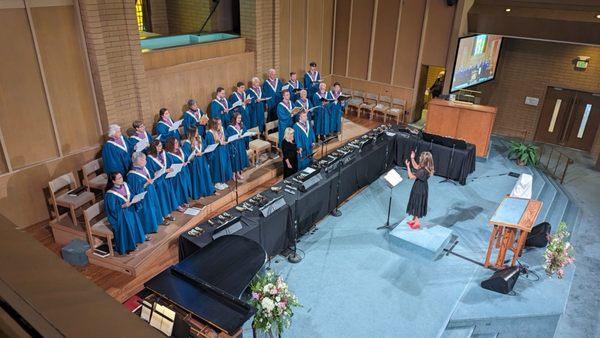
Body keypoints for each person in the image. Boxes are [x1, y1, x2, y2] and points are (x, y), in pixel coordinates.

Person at [104, 172, 146, 255]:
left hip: (130, 210)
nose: (121, 179)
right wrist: (122, 206)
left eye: (121, 177)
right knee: (126, 228)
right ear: (113, 181)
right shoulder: (110, 194)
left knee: (134, 225)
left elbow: (132, 194)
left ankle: (134, 241)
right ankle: (127, 247)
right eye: (119, 178)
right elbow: (111, 209)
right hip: (121, 215)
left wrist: (135, 199)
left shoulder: (125, 185)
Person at [127, 152, 164, 234]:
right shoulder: (132, 175)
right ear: (139, 160)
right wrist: (146, 184)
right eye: (144, 159)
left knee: (153, 207)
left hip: (150, 191)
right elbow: (134, 190)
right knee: (147, 211)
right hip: (144, 196)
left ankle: (155, 224)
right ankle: (148, 229)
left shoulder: (144, 168)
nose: (146, 161)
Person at [146, 140, 178, 220]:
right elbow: (150, 172)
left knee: (167, 196)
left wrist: (169, 169)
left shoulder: (162, 154)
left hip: (165, 179)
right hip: (158, 182)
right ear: (154, 147)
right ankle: (163, 215)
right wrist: (164, 171)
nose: (160, 147)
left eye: (161, 145)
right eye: (158, 146)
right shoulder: (149, 158)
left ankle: (167, 213)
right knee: (161, 198)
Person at [181, 126, 215, 199]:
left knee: (205, 175)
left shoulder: (200, 138)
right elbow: (187, 156)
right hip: (195, 163)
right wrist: (195, 154)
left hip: (202, 160)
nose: (197, 133)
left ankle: (207, 191)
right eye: (196, 132)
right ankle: (199, 194)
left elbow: (205, 146)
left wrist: (204, 151)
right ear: (192, 133)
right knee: (197, 177)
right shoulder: (187, 144)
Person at [405, 151, 434, 230]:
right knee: (416, 201)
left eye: (421, 158)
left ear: (423, 160)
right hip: (422, 186)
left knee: (417, 202)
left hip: (419, 189)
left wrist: (407, 166)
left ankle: (417, 222)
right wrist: (412, 158)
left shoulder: (422, 171)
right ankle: (414, 220)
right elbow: (416, 166)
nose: (420, 158)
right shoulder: (426, 168)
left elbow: (411, 177)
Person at [205, 118, 233, 190]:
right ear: (214, 125)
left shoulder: (222, 129)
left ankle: (222, 181)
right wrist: (218, 143)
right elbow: (209, 144)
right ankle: (217, 183)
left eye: (221, 123)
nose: (221, 125)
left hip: (223, 150)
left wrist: (225, 141)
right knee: (217, 167)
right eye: (219, 124)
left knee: (223, 165)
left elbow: (226, 136)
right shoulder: (210, 133)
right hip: (216, 153)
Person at [164, 137, 191, 210]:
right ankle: (178, 204)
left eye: (177, 142)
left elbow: (185, 157)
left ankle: (184, 201)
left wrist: (186, 161)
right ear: (171, 144)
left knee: (184, 187)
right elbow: (169, 165)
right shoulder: (168, 154)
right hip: (176, 175)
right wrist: (181, 165)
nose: (177, 144)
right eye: (175, 143)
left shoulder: (180, 150)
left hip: (183, 172)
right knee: (177, 189)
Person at [225, 113, 249, 180]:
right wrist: (236, 137)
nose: (239, 119)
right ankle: (233, 174)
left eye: (240, 118)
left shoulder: (241, 125)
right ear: (234, 118)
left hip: (241, 144)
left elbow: (245, 132)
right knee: (235, 160)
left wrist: (246, 134)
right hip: (234, 145)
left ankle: (238, 173)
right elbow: (228, 137)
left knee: (239, 159)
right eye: (238, 118)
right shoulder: (230, 127)